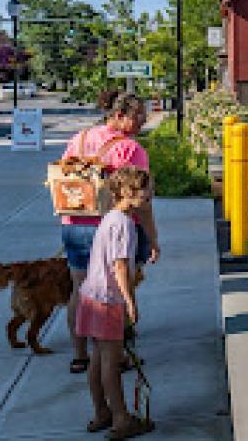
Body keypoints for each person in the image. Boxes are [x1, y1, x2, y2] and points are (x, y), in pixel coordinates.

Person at [61, 92, 156, 375]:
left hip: (75, 222)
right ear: (117, 116)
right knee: (119, 289)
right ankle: (116, 354)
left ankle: (80, 355)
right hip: (113, 226)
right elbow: (143, 200)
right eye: (136, 114)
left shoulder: (78, 139)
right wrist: (152, 237)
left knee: (80, 289)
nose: (142, 120)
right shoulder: (130, 149)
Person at [76, 166, 155, 439]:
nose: (151, 194)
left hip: (90, 295)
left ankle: (101, 412)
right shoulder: (124, 224)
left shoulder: (110, 217)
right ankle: (121, 419)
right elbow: (120, 266)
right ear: (128, 192)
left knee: (97, 360)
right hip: (108, 301)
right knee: (112, 362)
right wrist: (130, 302)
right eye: (147, 189)